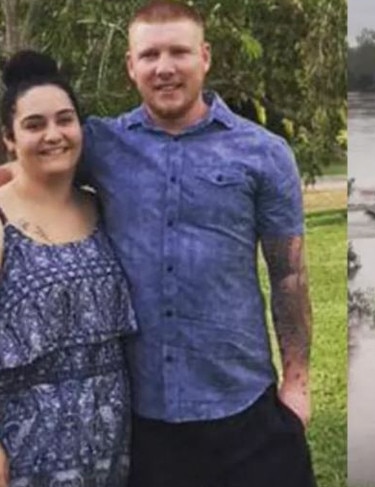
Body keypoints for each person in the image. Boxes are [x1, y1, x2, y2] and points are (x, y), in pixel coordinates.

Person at [0, 1, 316, 486]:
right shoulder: (102, 145)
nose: (164, 68)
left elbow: (289, 274)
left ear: (205, 57)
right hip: (147, 426)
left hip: (247, 411)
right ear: (131, 66)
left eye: (178, 52)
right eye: (149, 55)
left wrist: (297, 385)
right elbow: (40, 162)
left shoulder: (264, 153)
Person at [0, 52, 137, 486]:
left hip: (113, 452)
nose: (53, 135)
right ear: (8, 138)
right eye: (34, 125)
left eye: (65, 120)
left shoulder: (104, 210)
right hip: (25, 457)